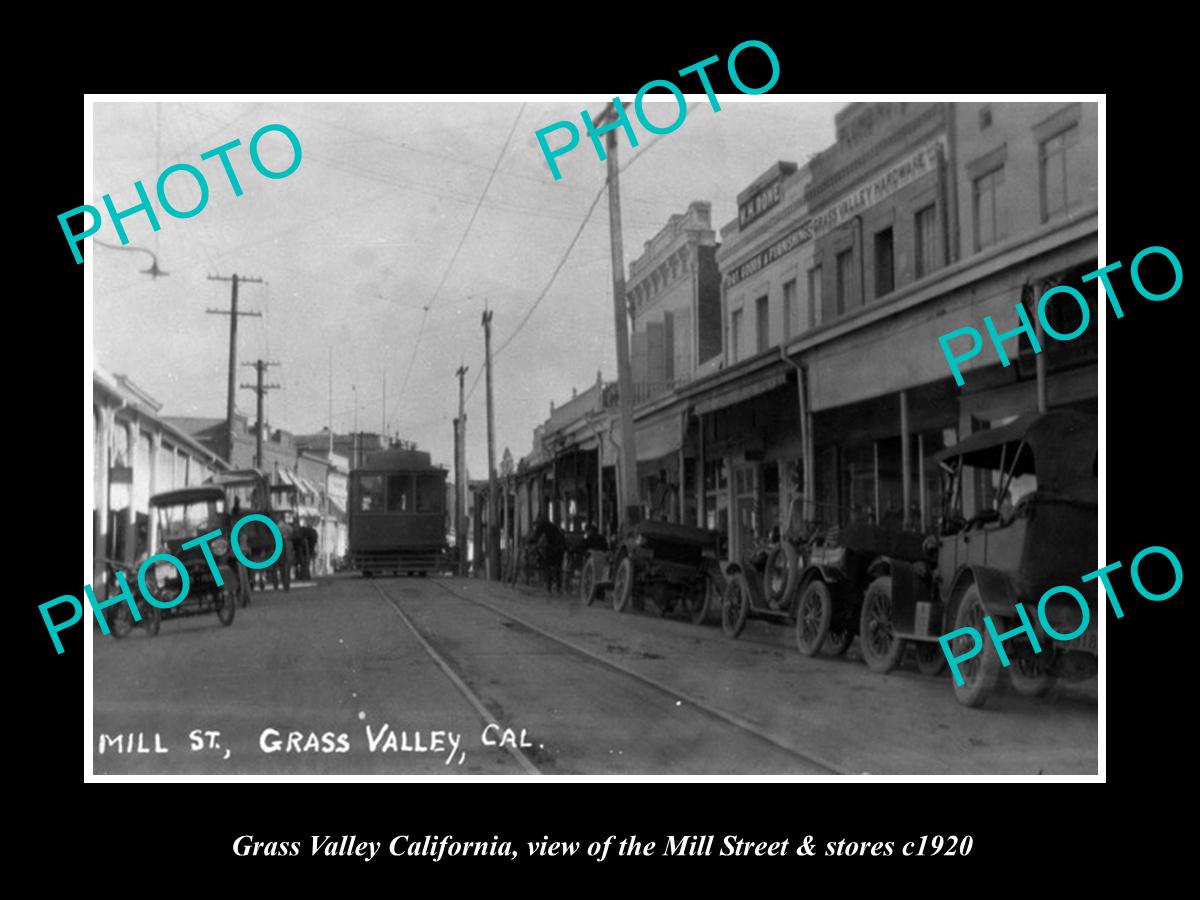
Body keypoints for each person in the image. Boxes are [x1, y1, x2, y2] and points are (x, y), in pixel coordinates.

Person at [528, 512, 566, 595]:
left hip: (552, 549)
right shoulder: (553, 527)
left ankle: (549, 587)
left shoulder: (543, 526)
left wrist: (531, 541)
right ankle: (558, 588)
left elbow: (536, 537)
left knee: (548, 567)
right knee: (557, 569)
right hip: (559, 549)